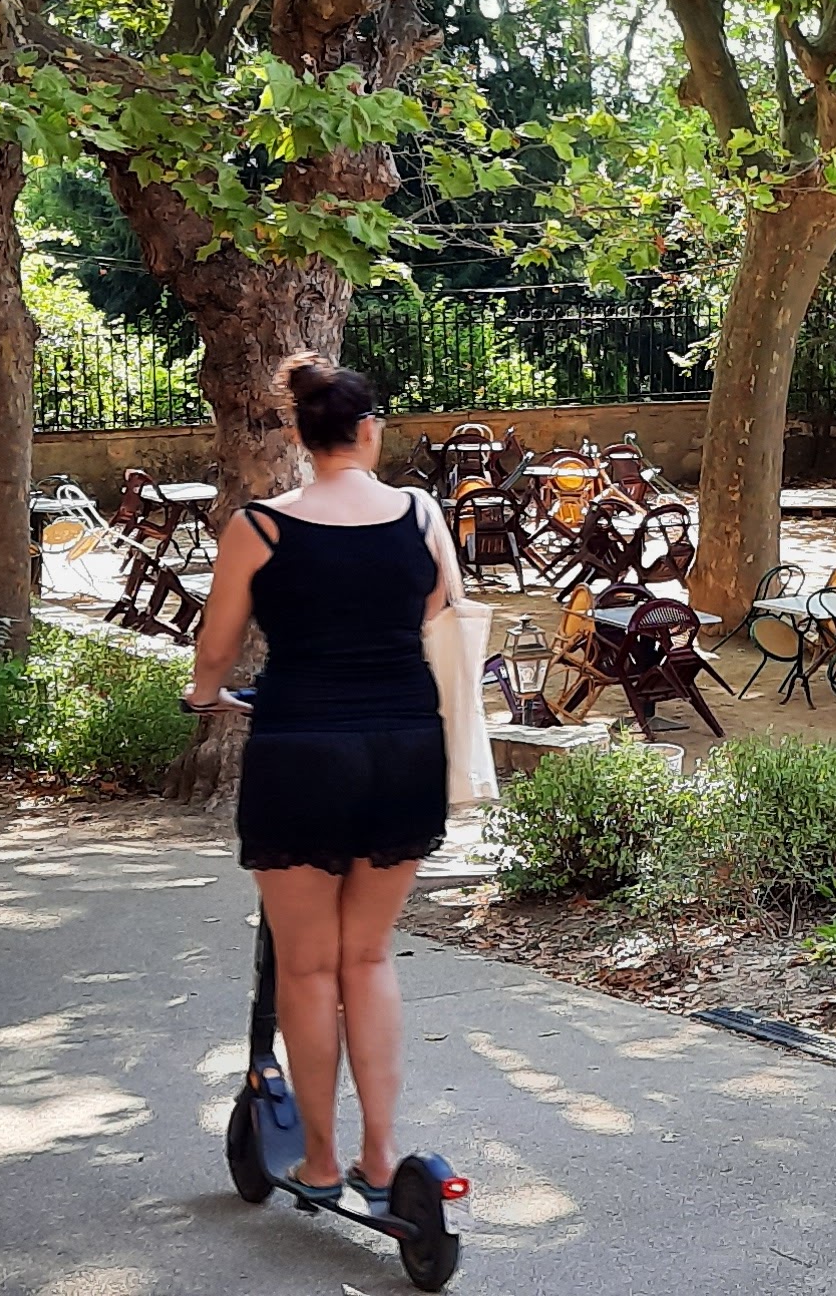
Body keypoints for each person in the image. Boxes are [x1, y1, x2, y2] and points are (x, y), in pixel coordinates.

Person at [186, 355, 461, 1206]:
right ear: (369, 431)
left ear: (303, 438)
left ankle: (320, 1159)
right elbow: (441, 610)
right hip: (405, 748)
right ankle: (382, 1155)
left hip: (301, 748)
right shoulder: (420, 514)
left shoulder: (260, 528)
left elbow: (217, 647)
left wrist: (204, 694)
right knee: (369, 955)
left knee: (306, 969)